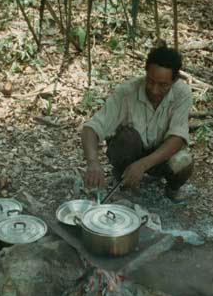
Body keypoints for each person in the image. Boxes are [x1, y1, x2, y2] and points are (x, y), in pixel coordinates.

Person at [81, 45, 193, 201]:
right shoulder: (127, 92)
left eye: (163, 85)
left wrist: (143, 164)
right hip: (130, 152)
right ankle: (123, 177)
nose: (154, 90)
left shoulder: (182, 93)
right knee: (127, 137)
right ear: (146, 73)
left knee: (184, 161)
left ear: (174, 80)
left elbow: (177, 137)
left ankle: (171, 188)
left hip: (159, 155)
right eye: (150, 81)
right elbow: (91, 128)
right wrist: (92, 162)